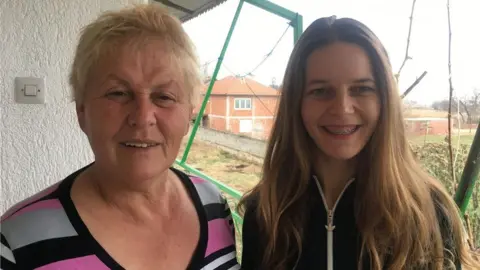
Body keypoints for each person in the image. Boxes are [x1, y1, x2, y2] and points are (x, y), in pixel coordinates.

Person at [0, 4, 239, 270]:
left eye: (164, 97)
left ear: (189, 115)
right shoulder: (16, 242)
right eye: (118, 93)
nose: (143, 116)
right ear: (82, 110)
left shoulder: (213, 205)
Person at [238, 16, 479, 270]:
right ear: (296, 103)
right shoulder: (267, 212)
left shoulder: (428, 212)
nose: (342, 108)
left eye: (362, 89)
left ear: (384, 100)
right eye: (320, 91)